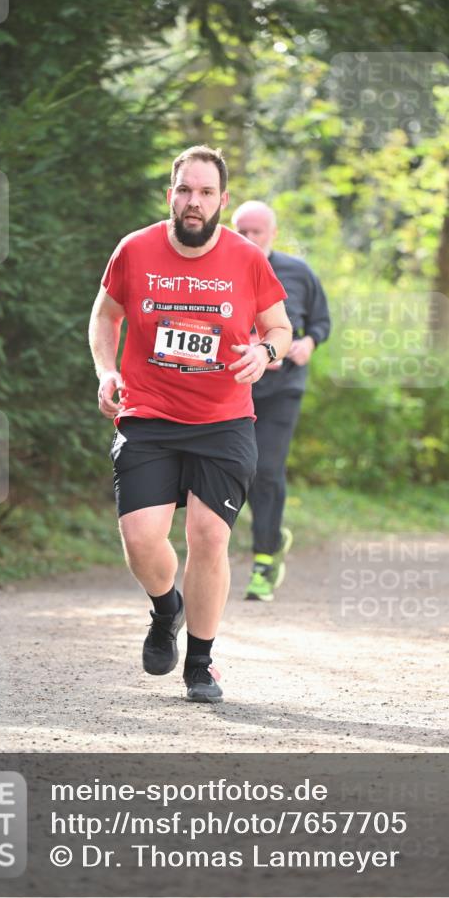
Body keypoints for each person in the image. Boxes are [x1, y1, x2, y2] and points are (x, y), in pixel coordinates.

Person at [88, 147, 292, 703]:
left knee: (208, 536)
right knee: (140, 540)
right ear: (171, 194)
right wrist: (107, 372)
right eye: (185, 191)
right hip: (149, 414)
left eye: (205, 193)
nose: (193, 202)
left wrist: (266, 352)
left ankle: (200, 663)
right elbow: (105, 315)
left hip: (222, 421)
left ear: (222, 200)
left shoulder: (247, 258)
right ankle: (165, 609)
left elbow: (279, 326)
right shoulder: (135, 249)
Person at [231, 200, 331, 602]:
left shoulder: (299, 273)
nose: (249, 238)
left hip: (283, 389)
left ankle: (264, 561)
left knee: (267, 469)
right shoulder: (221, 268)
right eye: (242, 230)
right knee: (239, 469)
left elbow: (321, 321)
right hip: (235, 387)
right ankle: (246, 547)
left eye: (257, 231)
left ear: (272, 233)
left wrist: (308, 342)